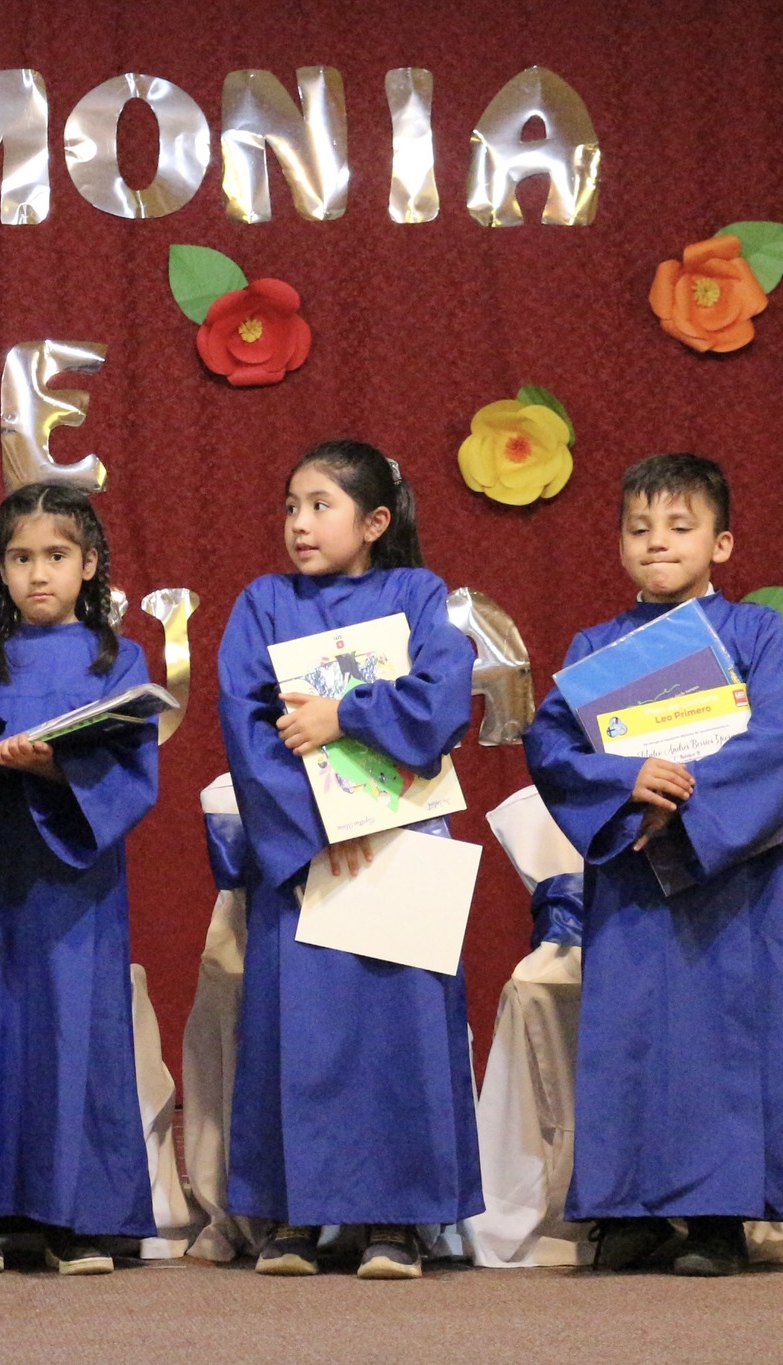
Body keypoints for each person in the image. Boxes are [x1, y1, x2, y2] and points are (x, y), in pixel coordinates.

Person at [523, 453, 783, 1276]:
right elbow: (552, 745)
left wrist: (685, 807)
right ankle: (627, 1210)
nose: (657, 543)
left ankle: (716, 1214)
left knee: (721, 1037)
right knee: (626, 1036)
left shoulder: (755, 632)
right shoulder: (596, 646)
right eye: (639, 528)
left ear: (723, 543)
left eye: (680, 526)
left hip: (726, 874)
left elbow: (775, 738)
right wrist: (624, 779)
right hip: (631, 872)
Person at [215, 439, 481, 1280]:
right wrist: (315, 831)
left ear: (374, 521)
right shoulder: (263, 602)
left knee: (395, 1029)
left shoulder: (416, 593)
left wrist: (345, 714)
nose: (300, 522)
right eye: (291, 505)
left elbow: (441, 701)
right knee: (299, 1033)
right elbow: (247, 725)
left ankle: (395, 1221)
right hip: (304, 857)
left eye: (321, 505)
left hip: (398, 844)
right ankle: (294, 1218)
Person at [0, 481, 160, 1276]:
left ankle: (80, 1219)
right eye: (20, 557)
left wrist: (57, 766)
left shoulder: (119, 658)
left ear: (89, 565)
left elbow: (132, 768)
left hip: (77, 881)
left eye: (55, 555)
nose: (37, 573)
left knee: (75, 1031)